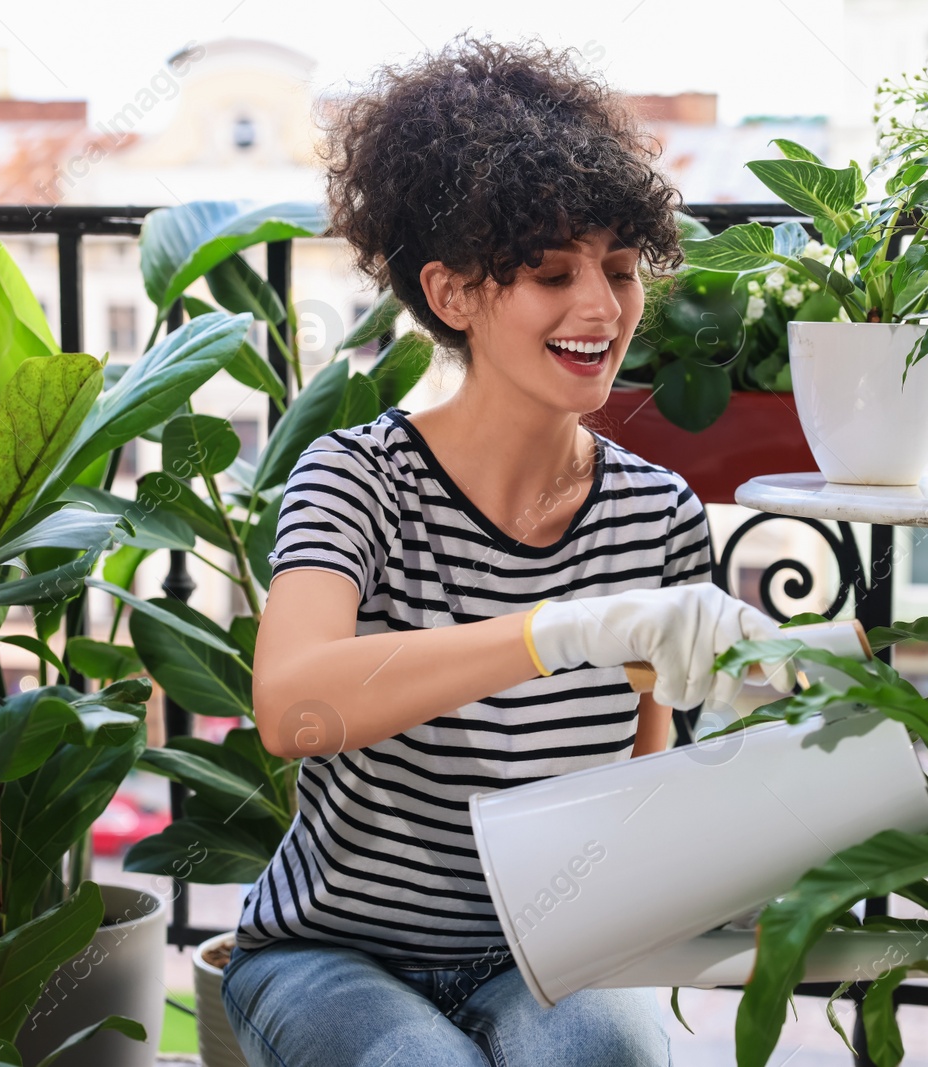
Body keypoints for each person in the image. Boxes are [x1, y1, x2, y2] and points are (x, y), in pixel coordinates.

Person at [221, 31, 785, 1067]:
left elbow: (638, 788)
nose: (600, 308)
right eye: (548, 273)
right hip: (329, 952)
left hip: (541, 954)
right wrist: (559, 631)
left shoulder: (654, 514)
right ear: (452, 294)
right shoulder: (357, 480)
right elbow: (292, 707)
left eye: (618, 268)